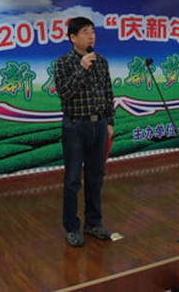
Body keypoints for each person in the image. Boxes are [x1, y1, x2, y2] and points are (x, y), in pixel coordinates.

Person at [54, 16, 115, 247]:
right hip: (75, 127)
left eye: (93, 32)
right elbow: (65, 93)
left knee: (96, 177)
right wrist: (82, 68)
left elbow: (108, 93)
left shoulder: (102, 61)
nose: (91, 36)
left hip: (99, 125)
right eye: (86, 32)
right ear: (73, 37)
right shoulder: (63, 63)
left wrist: (109, 122)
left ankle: (93, 223)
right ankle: (71, 227)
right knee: (72, 180)